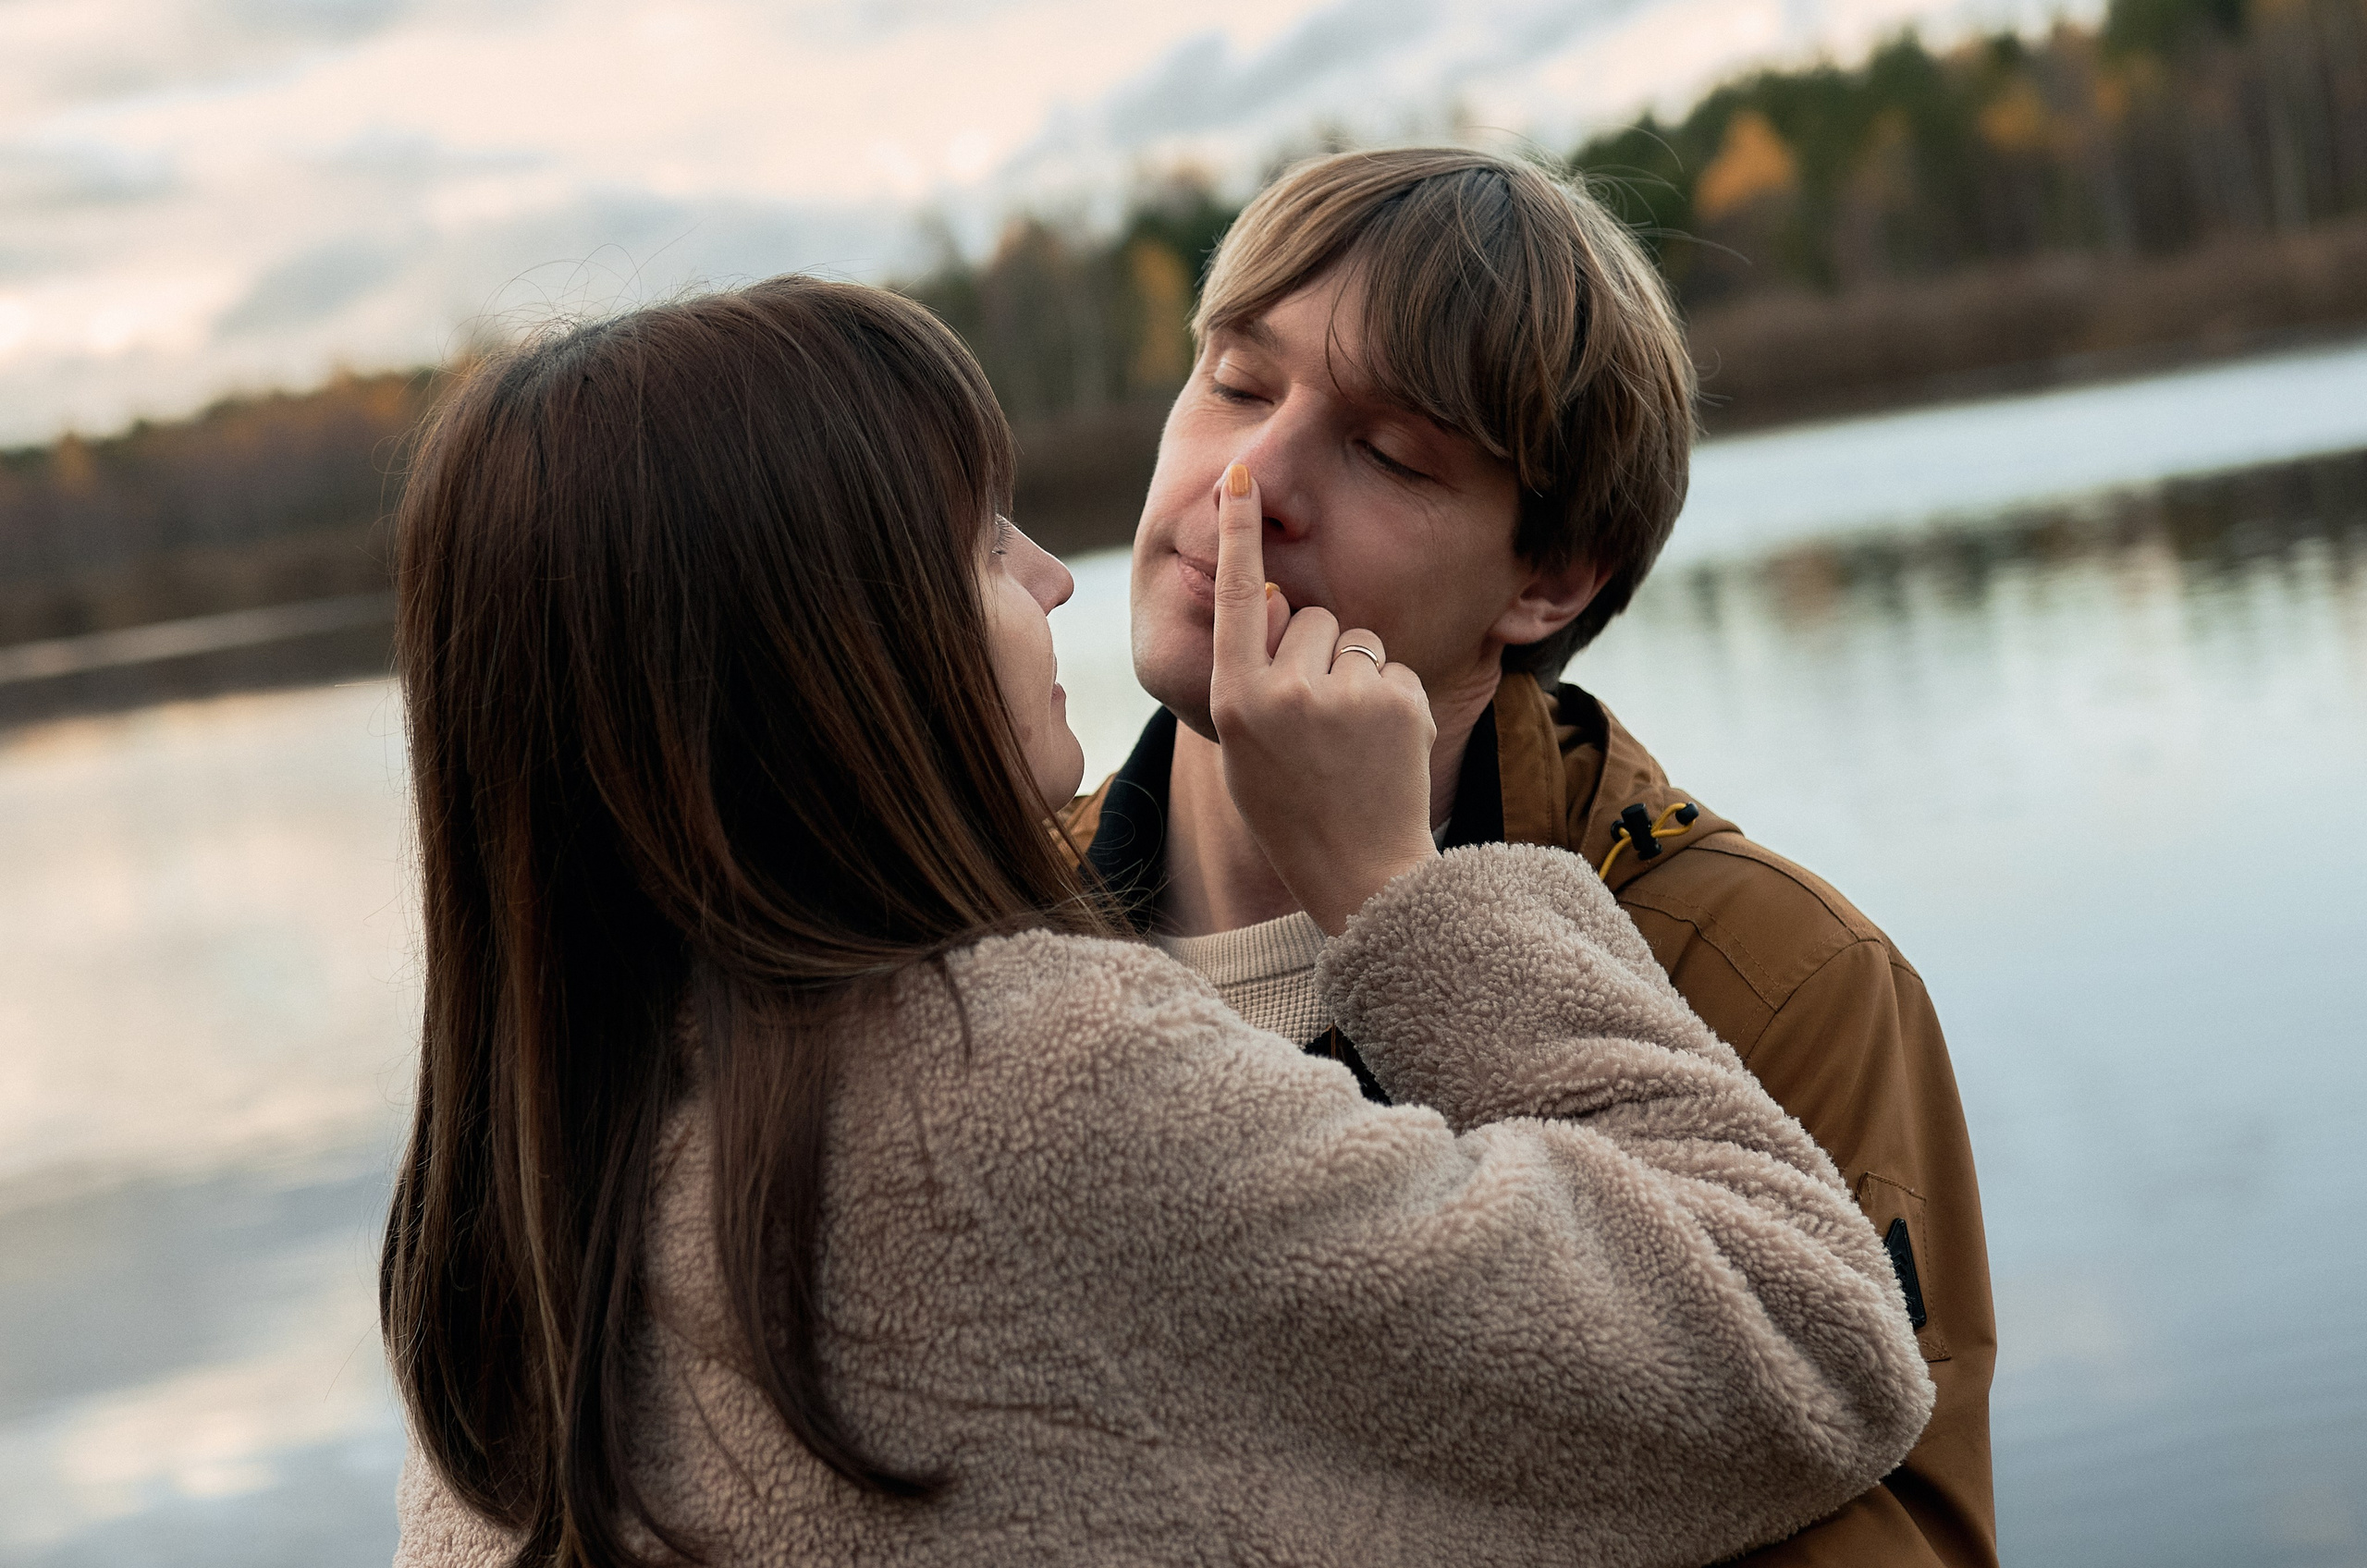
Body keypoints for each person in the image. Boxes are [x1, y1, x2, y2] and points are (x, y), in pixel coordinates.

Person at [381, 276, 1932, 1568]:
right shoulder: (1013, 1086)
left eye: (1393, 451)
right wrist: (1406, 896)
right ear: (821, 658)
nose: (1054, 575)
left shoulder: (527, 1197)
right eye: (979, 543)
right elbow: (1809, 1346)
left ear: (1550, 582)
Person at [1066, 148, 1997, 1567]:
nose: (1251, 480)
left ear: (1549, 579)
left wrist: (1396, 904)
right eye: (1239, 382)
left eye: (1391, 453)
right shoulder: (952, 915)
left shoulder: (1774, 979)